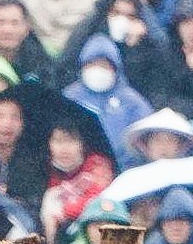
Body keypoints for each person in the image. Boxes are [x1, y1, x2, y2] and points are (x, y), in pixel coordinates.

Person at [63, 36, 153, 167]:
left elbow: (146, 136)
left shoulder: (132, 101)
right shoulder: (69, 97)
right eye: (92, 64)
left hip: (125, 170)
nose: (97, 70)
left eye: (103, 65)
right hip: (77, 169)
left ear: (115, 69)